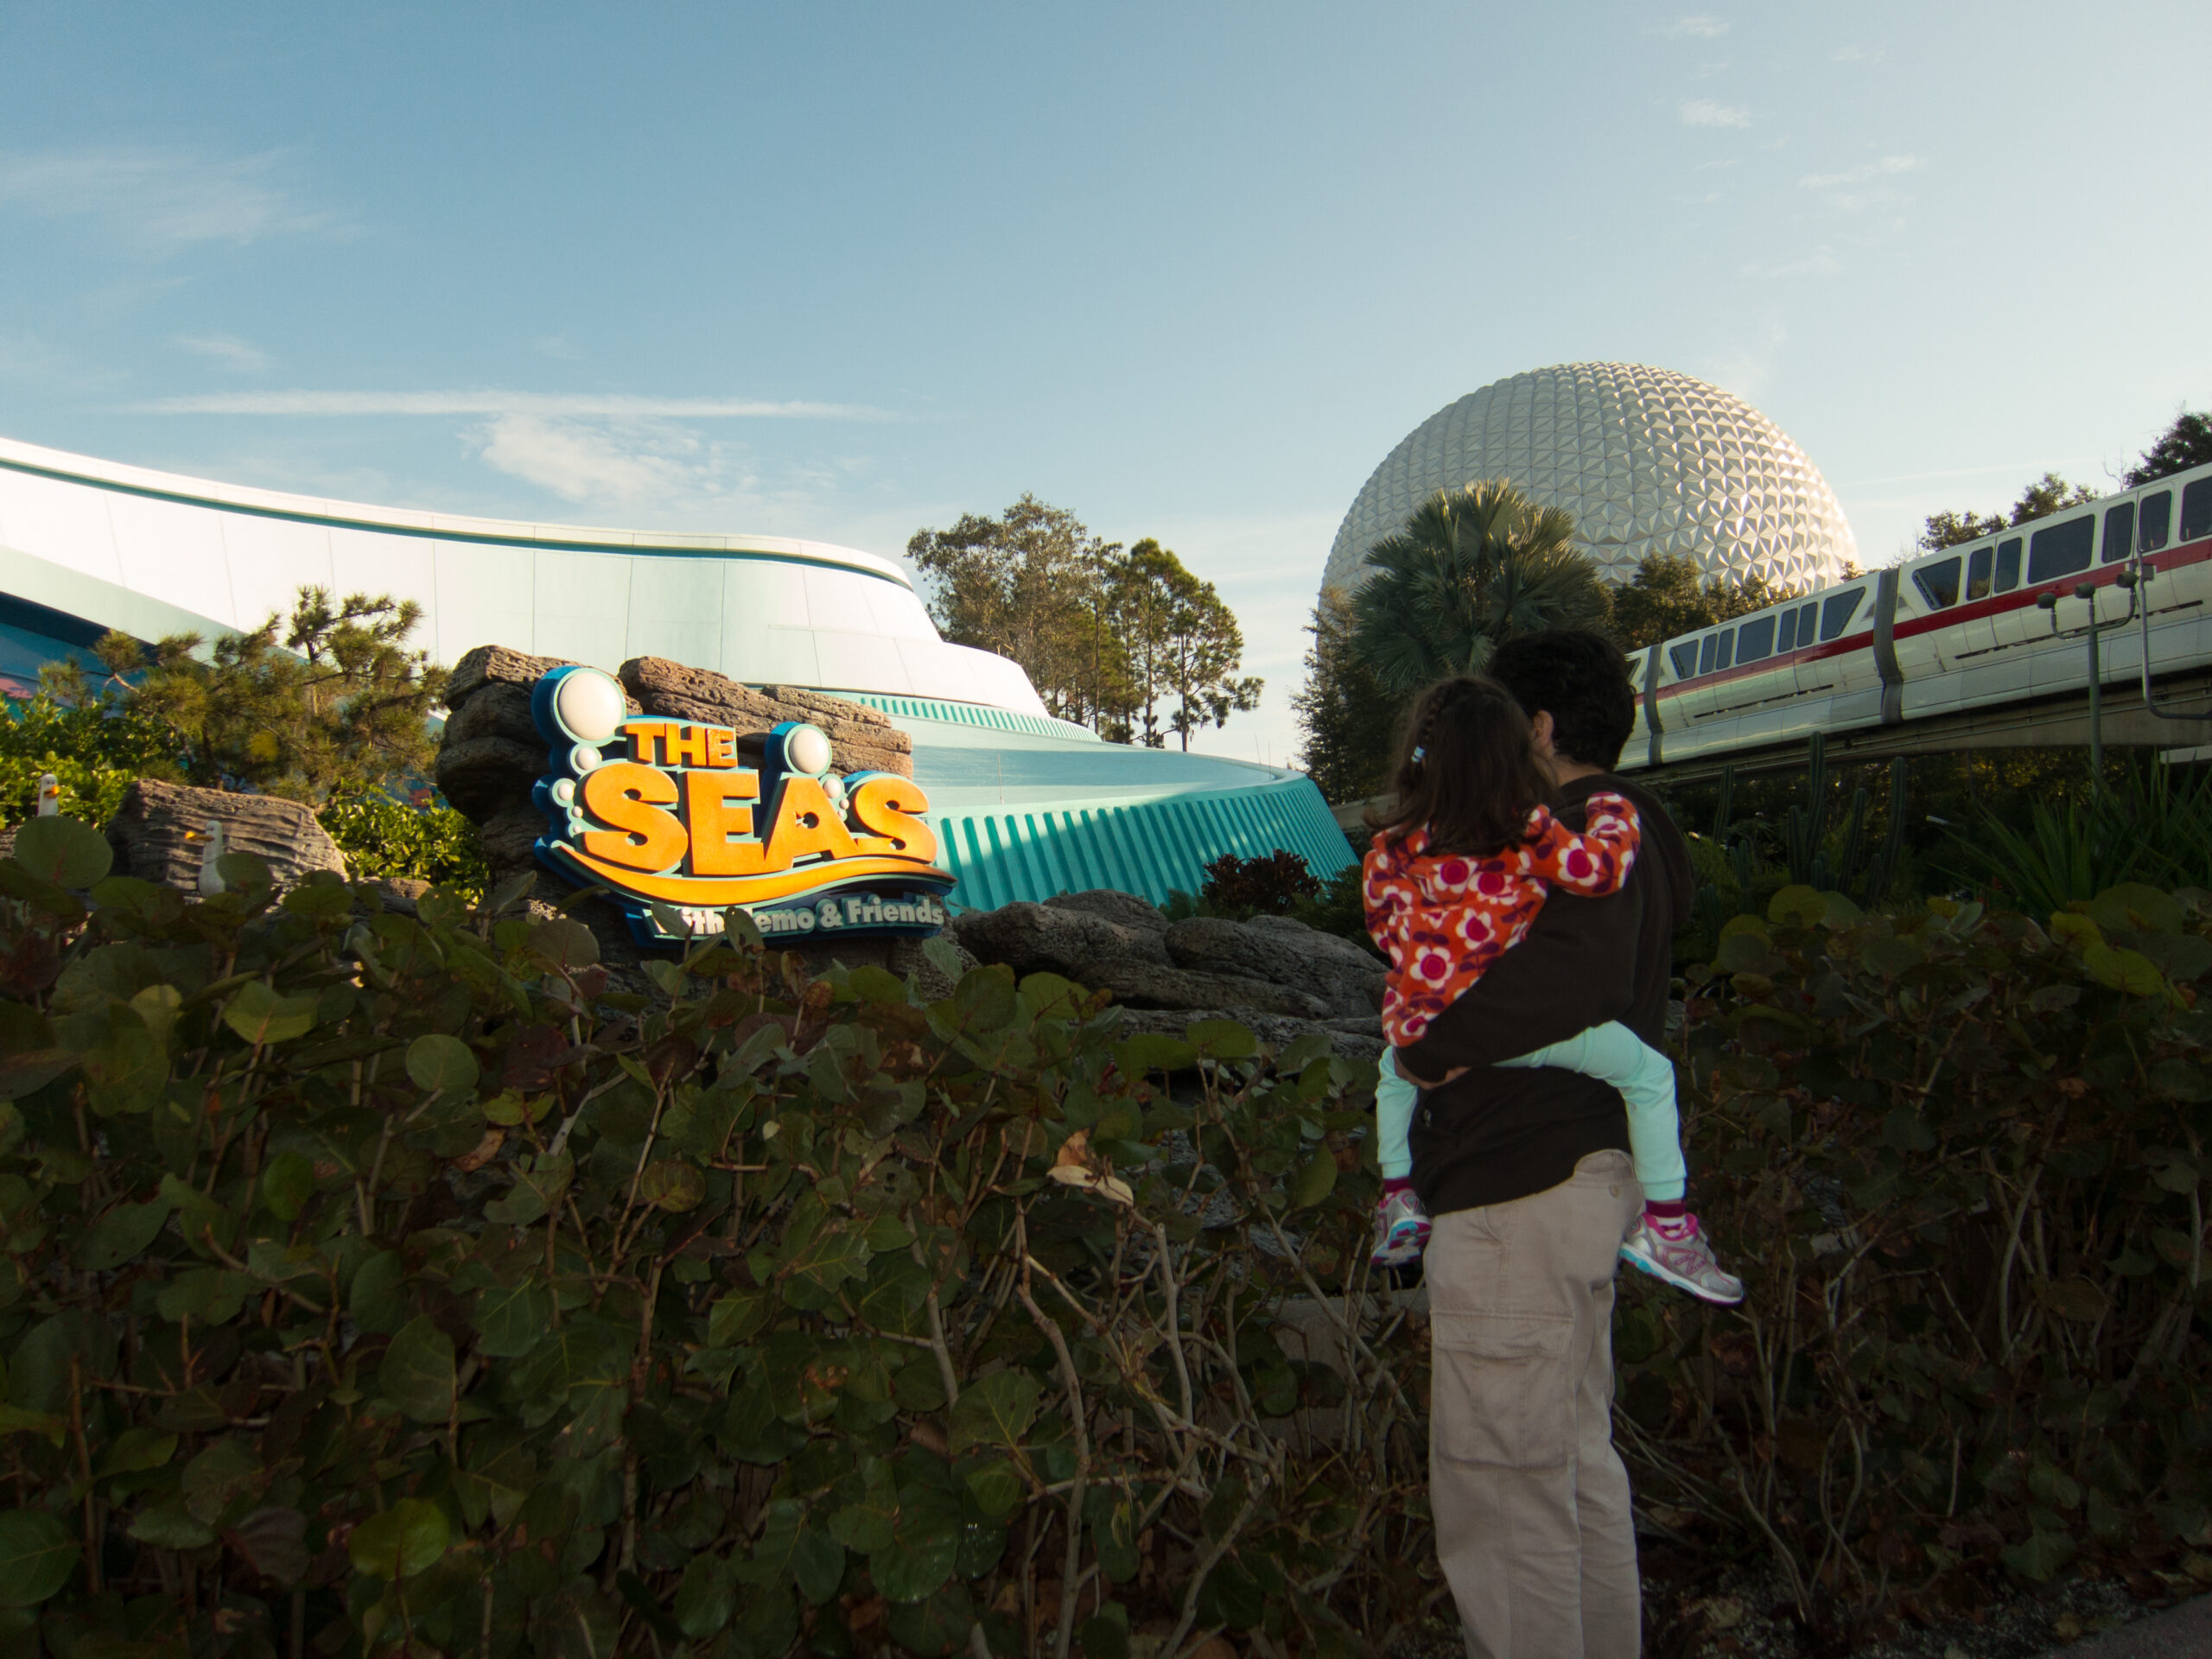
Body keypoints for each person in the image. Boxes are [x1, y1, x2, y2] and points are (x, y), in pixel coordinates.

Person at [1394, 629, 1693, 1659]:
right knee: (1567, 1464)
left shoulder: (1573, 831)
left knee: (1502, 1495)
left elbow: (1578, 973)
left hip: (1518, 1187)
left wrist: (1432, 1043)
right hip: (1579, 1177)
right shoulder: (1627, 833)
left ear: (1541, 727)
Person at [1361, 676, 1740, 1306]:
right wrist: (1613, 814)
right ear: (1521, 752)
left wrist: (1429, 1007)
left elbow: (1383, 929)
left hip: (1425, 1023)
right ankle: (1669, 1224)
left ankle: (1396, 1193)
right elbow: (1599, 870)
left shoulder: (1387, 851)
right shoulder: (1530, 833)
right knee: (1649, 1076)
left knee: (1392, 1069)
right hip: (1529, 1051)